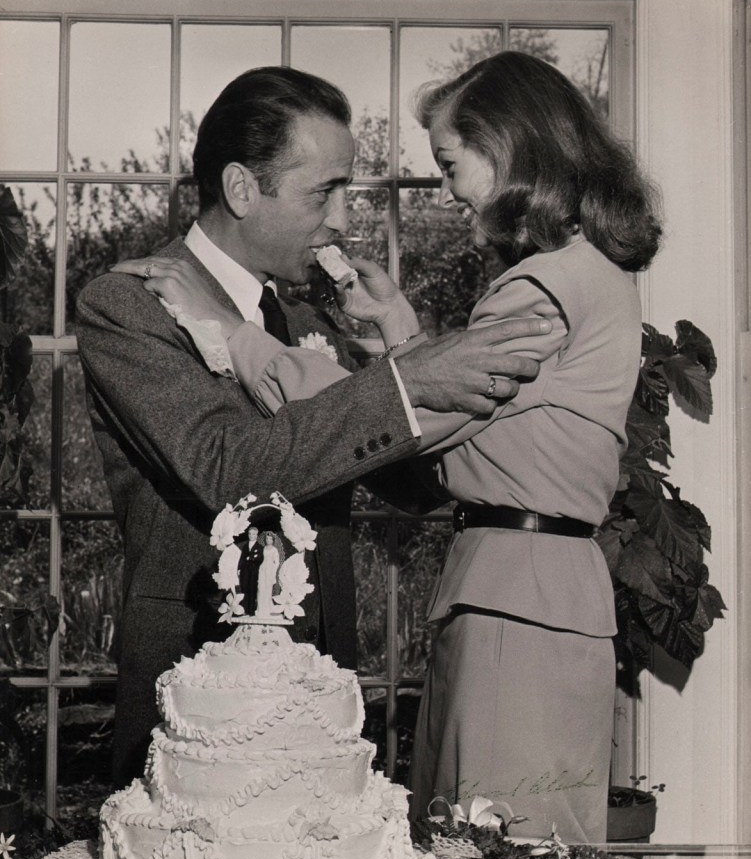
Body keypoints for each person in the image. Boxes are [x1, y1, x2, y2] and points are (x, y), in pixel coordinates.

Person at [120, 52, 661, 843]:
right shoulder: (581, 276)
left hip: (516, 597)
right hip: (525, 590)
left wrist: (238, 338)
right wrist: (400, 342)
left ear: (507, 146)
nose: (441, 187)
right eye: (326, 191)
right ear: (241, 188)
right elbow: (453, 422)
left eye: (448, 162)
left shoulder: (544, 285)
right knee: (491, 857)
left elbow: (428, 422)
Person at [75, 65, 550, 787]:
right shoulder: (130, 304)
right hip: (197, 670)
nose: (341, 221)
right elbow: (227, 468)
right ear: (240, 189)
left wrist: (398, 344)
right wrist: (406, 383)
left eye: (345, 192)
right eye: (322, 193)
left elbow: (417, 488)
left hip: (321, 675)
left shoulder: (307, 316)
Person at [256, 532, 281, 618]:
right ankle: (260, 609)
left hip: (270, 570)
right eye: (267, 539)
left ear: (273, 540)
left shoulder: (274, 550)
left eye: (270, 539)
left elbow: (277, 562)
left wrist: (273, 570)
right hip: (262, 569)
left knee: (268, 589)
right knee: (260, 588)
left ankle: (267, 609)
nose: (268, 540)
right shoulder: (262, 549)